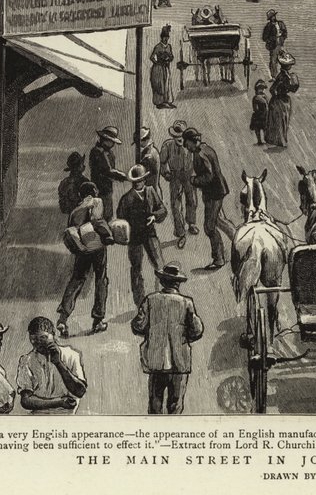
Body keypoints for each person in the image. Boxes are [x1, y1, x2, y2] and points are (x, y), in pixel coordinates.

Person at [131, 263, 205, 414]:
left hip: (156, 361)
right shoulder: (186, 303)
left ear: (162, 282)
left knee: (155, 405)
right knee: (176, 406)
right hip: (180, 362)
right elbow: (197, 330)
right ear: (178, 284)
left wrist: (151, 332)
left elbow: (137, 326)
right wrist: (182, 338)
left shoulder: (150, 300)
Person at [57, 181, 113, 337]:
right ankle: (98, 320)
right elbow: (98, 220)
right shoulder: (96, 202)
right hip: (97, 247)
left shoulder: (75, 211)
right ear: (93, 192)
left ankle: (63, 318)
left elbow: (72, 230)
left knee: (77, 280)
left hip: (83, 250)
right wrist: (109, 235)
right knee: (101, 279)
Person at [116, 164, 168, 309]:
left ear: (145, 180)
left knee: (160, 266)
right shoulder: (126, 199)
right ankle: (140, 303)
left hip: (150, 234)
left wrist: (154, 216)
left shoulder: (151, 192)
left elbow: (163, 210)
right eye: (136, 181)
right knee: (136, 269)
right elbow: (120, 219)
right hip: (134, 239)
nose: (139, 183)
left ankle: (163, 297)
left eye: (141, 180)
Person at [186, 128, 235, 270]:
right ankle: (238, 240)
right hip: (215, 191)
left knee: (209, 226)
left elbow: (209, 176)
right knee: (219, 221)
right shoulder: (204, 149)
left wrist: (195, 180)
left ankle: (219, 258)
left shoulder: (201, 154)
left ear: (192, 141)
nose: (186, 146)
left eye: (187, 143)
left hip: (214, 193)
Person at [16, 316, 87, 414]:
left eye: (43, 337)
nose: (38, 343)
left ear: (53, 335)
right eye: (34, 339)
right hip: (38, 415)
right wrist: (59, 402)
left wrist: (58, 363)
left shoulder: (71, 355)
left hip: (66, 416)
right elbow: (25, 401)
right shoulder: (26, 360)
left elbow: (80, 392)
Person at [160, 121, 198, 246]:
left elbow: (197, 159)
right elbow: (162, 162)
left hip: (188, 174)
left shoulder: (190, 146)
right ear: (173, 137)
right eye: (176, 136)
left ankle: (191, 223)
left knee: (191, 200)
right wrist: (165, 174)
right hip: (175, 176)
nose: (179, 139)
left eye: (181, 136)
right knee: (176, 205)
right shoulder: (167, 146)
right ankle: (181, 232)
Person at [88, 126, 129, 226]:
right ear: (105, 140)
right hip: (100, 189)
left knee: (106, 215)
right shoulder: (98, 152)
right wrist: (125, 177)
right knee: (101, 216)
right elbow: (108, 171)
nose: (113, 144)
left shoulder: (107, 152)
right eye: (111, 141)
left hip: (106, 189)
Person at [265, 54, 300, 147]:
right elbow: (273, 89)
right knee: (282, 120)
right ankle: (280, 140)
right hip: (283, 100)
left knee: (280, 120)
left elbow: (272, 89)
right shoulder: (285, 76)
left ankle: (277, 139)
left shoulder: (283, 76)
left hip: (280, 99)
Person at [149, 25, 176, 109]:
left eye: (167, 37)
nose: (166, 39)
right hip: (158, 68)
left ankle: (166, 101)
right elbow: (152, 57)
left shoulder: (169, 46)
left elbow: (172, 56)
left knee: (166, 84)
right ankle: (159, 102)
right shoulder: (158, 47)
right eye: (164, 37)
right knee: (159, 84)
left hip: (165, 68)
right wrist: (157, 63)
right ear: (161, 38)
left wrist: (169, 59)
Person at [57, 151, 88, 216]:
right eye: (82, 164)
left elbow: (63, 207)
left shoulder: (64, 182)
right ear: (78, 167)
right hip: (82, 216)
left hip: (71, 216)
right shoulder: (85, 181)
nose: (84, 166)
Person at [262, 8, 288, 78]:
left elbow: (285, 33)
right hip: (273, 46)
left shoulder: (280, 23)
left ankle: (283, 75)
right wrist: (272, 39)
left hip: (281, 44)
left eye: (274, 16)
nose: (273, 17)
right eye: (272, 17)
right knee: (273, 61)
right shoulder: (268, 26)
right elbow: (264, 38)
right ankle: (274, 76)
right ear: (270, 18)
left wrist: (282, 37)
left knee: (285, 59)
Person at [136, 126, 162, 193]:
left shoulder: (149, 155)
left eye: (138, 141)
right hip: (151, 190)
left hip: (152, 191)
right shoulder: (151, 151)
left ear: (144, 140)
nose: (137, 144)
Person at [250, 79, 269, 145]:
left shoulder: (256, 97)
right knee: (262, 128)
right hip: (263, 115)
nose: (262, 90)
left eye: (262, 88)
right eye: (260, 88)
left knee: (259, 128)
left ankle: (261, 140)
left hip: (260, 115)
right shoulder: (263, 97)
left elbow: (255, 108)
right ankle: (261, 140)